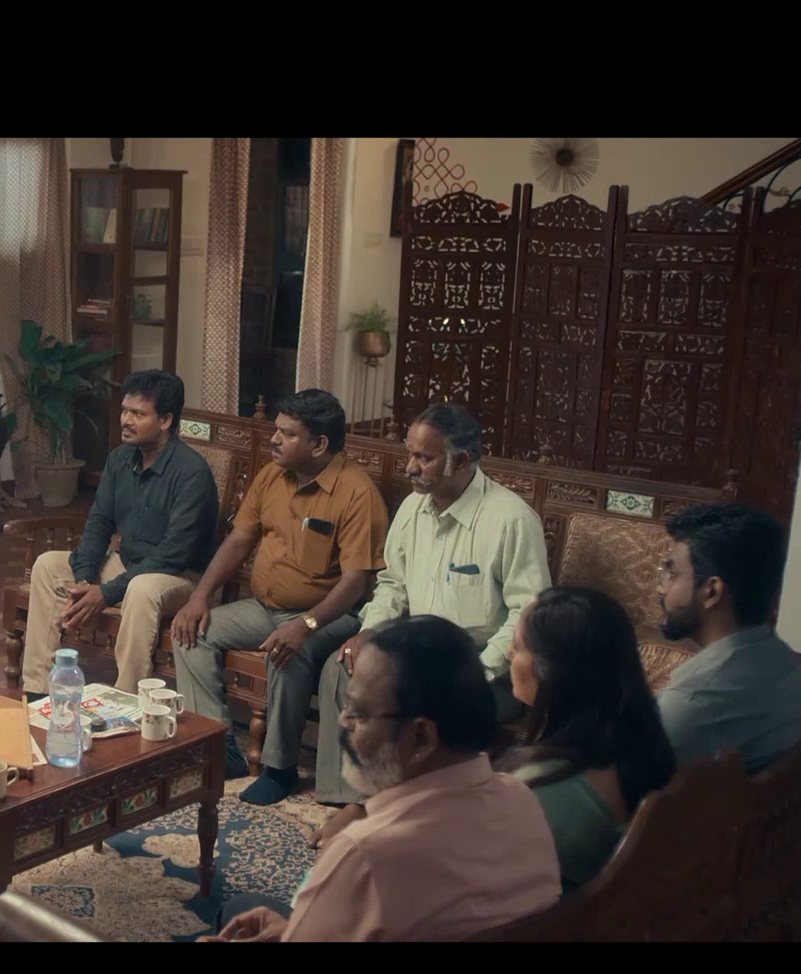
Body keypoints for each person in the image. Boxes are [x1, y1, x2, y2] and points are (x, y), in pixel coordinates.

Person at [202, 615, 560, 942]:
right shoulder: (523, 800)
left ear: (420, 737)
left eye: (358, 712)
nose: (343, 722)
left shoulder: (364, 854)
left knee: (236, 910)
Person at [319, 400, 550, 804]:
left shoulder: (511, 520)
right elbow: (393, 585)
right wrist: (369, 632)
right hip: (422, 654)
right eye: (410, 454)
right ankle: (351, 800)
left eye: (424, 458)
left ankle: (408, 808)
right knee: (341, 668)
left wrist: (477, 669)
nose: (410, 467)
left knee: (408, 705)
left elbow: (527, 614)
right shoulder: (412, 507)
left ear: (461, 461)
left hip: (486, 667)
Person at [171, 389, 388, 805]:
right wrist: (200, 596)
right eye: (277, 430)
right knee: (192, 631)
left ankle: (279, 768)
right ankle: (219, 748)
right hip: (264, 607)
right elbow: (239, 540)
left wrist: (305, 625)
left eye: (287, 434)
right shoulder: (272, 475)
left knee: (289, 652)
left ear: (319, 444)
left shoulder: (356, 493)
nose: (274, 440)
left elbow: (356, 583)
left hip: (330, 615)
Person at [21, 369, 218, 697]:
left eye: (138, 414)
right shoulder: (120, 459)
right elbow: (99, 523)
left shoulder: (191, 473)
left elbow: (174, 554)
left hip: (181, 578)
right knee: (48, 566)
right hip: (130, 566)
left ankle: (127, 700)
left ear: (166, 420)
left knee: (141, 589)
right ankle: (38, 693)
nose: (126, 420)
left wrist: (106, 592)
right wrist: (85, 580)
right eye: (125, 411)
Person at [493, 587, 678, 892]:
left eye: (518, 646)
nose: (509, 654)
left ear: (553, 671)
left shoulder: (533, 792)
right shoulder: (644, 743)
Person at [655, 502, 801, 772]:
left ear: (712, 591)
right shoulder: (786, 663)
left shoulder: (690, 704)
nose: (661, 587)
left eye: (671, 574)